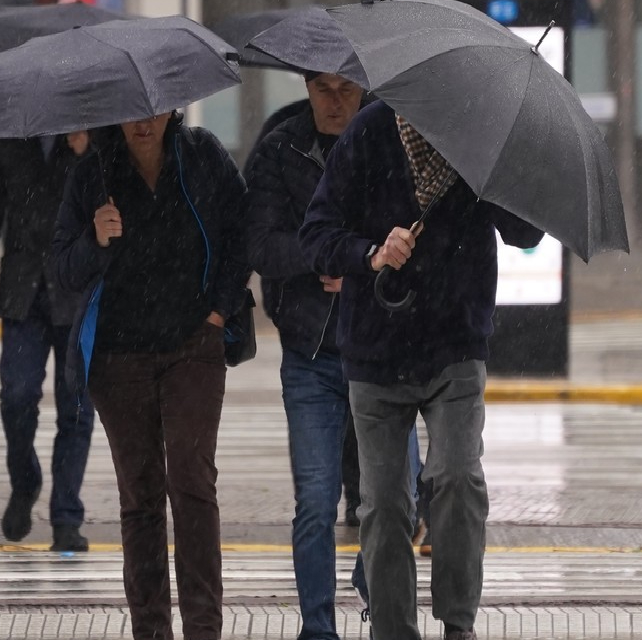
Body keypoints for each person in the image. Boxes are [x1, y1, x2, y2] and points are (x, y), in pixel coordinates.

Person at [298, 100, 544, 640]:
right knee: (384, 506)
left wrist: (508, 173)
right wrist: (371, 253)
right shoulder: (368, 133)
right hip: (376, 349)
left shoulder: (478, 143)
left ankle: (458, 622)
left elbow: (526, 235)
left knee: (457, 476)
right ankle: (393, 630)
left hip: (455, 342)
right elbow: (316, 235)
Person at [52, 110, 249, 640]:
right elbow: (62, 269)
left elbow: (240, 232)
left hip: (192, 345)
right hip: (118, 357)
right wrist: (94, 239)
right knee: (140, 496)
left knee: (191, 481)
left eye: (153, 112)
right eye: (131, 114)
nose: (143, 124)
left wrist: (218, 313)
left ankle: (203, 628)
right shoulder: (92, 173)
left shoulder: (202, 155)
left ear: (171, 106)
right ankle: (151, 630)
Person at [245, 71, 425, 640]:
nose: (334, 101)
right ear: (305, 86)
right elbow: (260, 244)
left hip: (380, 349)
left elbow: (414, 234)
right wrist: (321, 257)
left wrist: (363, 260)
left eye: (345, 88)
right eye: (322, 88)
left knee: (399, 497)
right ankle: (317, 628)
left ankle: (373, 583)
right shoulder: (282, 147)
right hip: (311, 350)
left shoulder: (392, 140)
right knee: (316, 503)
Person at [0, 132, 95, 552]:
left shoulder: (100, 137)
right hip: (23, 291)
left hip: (77, 288)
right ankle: (26, 480)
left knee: (77, 408)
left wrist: (86, 156)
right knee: (16, 396)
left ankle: (67, 515)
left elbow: (117, 205)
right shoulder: (8, 140)